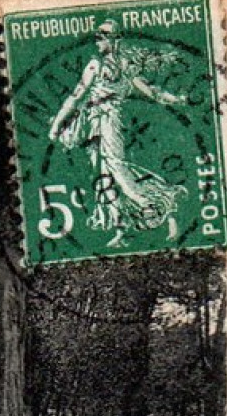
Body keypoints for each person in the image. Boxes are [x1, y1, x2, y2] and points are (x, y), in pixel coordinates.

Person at [48, 21, 188, 247]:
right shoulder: (95, 65)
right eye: (97, 35)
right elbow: (76, 97)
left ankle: (163, 208)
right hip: (93, 122)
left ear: (116, 38)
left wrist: (175, 99)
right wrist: (57, 124)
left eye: (103, 35)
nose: (98, 39)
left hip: (110, 119)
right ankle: (121, 228)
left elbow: (150, 90)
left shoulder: (125, 65)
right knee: (101, 174)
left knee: (117, 168)